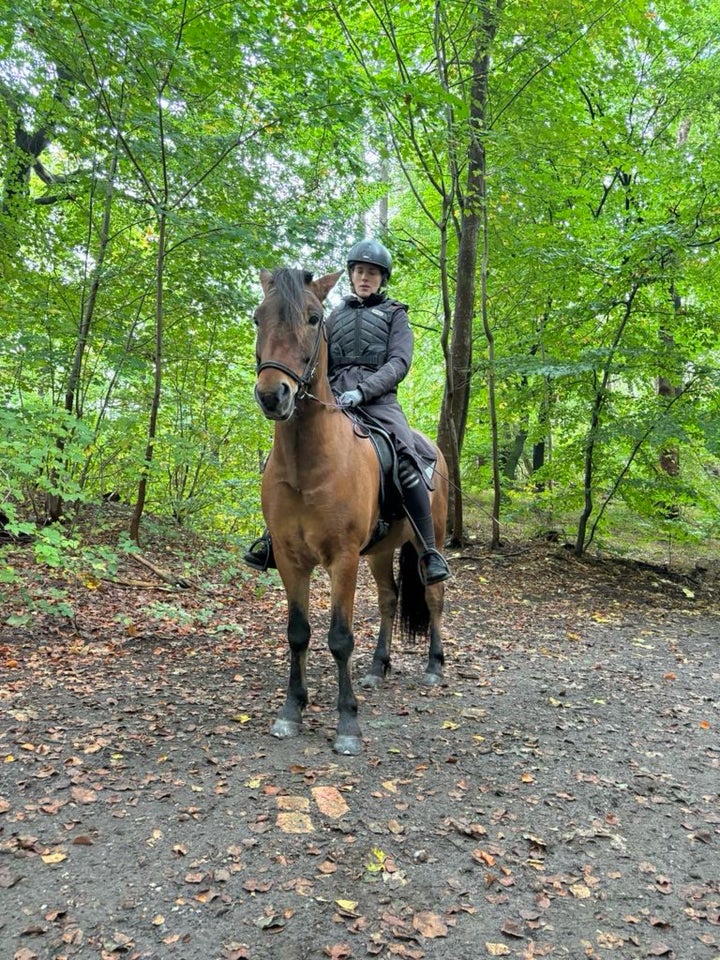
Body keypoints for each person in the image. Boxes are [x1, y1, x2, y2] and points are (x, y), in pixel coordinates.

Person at [244, 238, 451, 585]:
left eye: (372, 273)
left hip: (380, 402)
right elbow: (313, 355)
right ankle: (273, 538)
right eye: (358, 271)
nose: (364, 278)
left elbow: (399, 362)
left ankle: (428, 550)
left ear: (381, 278)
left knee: (407, 456)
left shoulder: (395, 314)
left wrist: (364, 391)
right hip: (334, 399)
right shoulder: (333, 315)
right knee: (282, 457)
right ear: (352, 275)